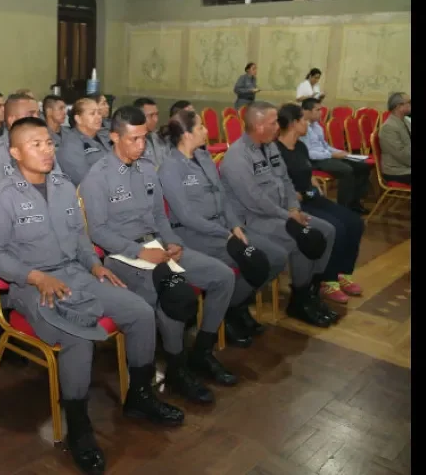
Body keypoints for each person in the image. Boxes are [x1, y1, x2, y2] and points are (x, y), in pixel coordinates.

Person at [0, 116, 184, 474]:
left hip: (77, 273)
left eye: (49, 143)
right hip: (31, 286)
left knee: (138, 311)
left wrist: (94, 265)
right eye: (36, 144)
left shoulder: (63, 187)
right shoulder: (3, 198)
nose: (47, 151)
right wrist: (35, 276)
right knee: (79, 336)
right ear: (14, 152)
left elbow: (79, 237)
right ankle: (79, 426)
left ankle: (139, 396)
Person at [80, 106, 241, 405]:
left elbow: (159, 215)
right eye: (134, 139)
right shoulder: (97, 178)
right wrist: (138, 251)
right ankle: (177, 370)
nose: (141, 146)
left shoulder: (146, 170)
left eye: (145, 139)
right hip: (123, 256)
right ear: (114, 137)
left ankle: (201, 353)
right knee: (173, 295)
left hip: (157, 247)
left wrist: (172, 241)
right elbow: (98, 232)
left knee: (221, 277)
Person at [158, 108, 287, 342]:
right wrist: (225, 234)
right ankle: (225, 316)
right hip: (195, 235)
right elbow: (186, 216)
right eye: (201, 127)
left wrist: (235, 225)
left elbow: (223, 196)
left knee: (277, 257)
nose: (207, 131)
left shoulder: (205, 157)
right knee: (252, 261)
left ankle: (235, 306)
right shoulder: (171, 167)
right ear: (186, 135)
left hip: (223, 229)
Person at [220, 101, 338, 328]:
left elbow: (285, 180)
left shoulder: (270, 146)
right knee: (300, 238)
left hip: (280, 213)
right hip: (254, 219)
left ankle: (308, 294)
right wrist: (288, 216)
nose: (278, 126)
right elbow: (255, 201)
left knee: (327, 231)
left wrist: (294, 208)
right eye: (273, 122)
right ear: (258, 125)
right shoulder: (237, 157)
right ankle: (297, 300)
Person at [276, 103, 365, 304]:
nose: (308, 123)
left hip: (312, 196)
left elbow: (307, 172)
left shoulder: (300, 146)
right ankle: (328, 280)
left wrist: (314, 184)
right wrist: (299, 195)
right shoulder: (276, 150)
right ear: (293, 123)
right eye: (304, 120)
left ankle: (343, 273)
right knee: (337, 228)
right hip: (296, 203)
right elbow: (281, 184)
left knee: (355, 222)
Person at [299, 98, 371, 214]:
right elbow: (308, 153)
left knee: (362, 166)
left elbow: (325, 145)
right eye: (317, 110)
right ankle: (343, 208)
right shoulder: (301, 127)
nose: (321, 113)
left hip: (325, 156)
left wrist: (341, 152)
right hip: (314, 161)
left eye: (321, 109)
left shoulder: (317, 126)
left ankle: (355, 203)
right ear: (306, 111)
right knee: (346, 170)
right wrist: (332, 154)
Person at [0, 93, 46, 196]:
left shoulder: (45, 148)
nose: (37, 118)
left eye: (37, 114)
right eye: (31, 114)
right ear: (12, 120)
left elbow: (58, 184)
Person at [57, 97, 112, 185]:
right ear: (78, 119)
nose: (98, 117)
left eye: (99, 113)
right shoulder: (71, 145)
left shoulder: (103, 136)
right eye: (92, 113)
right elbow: (84, 180)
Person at [378, 92, 412, 186]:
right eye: (409, 102)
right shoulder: (388, 128)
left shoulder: (405, 121)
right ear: (398, 106)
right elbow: (402, 155)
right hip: (398, 171)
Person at [133, 97, 172, 167]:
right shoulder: (132, 142)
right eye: (151, 115)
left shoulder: (159, 137)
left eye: (157, 114)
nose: (156, 119)